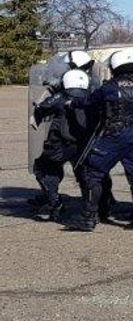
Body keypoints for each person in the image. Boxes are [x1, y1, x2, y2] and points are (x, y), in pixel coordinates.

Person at [68, 50, 133, 231]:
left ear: (115, 66)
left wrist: (72, 103)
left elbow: (90, 101)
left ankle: (88, 217)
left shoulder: (110, 86)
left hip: (114, 136)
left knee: (93, 172)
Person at [30, 70, 94, 222]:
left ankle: (54, 202)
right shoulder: (92, 97)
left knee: (42, 168)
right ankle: (91, 209)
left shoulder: (61, 96)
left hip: (60, 145)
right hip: (85, 145)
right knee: (86, 176)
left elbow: (41, 109)